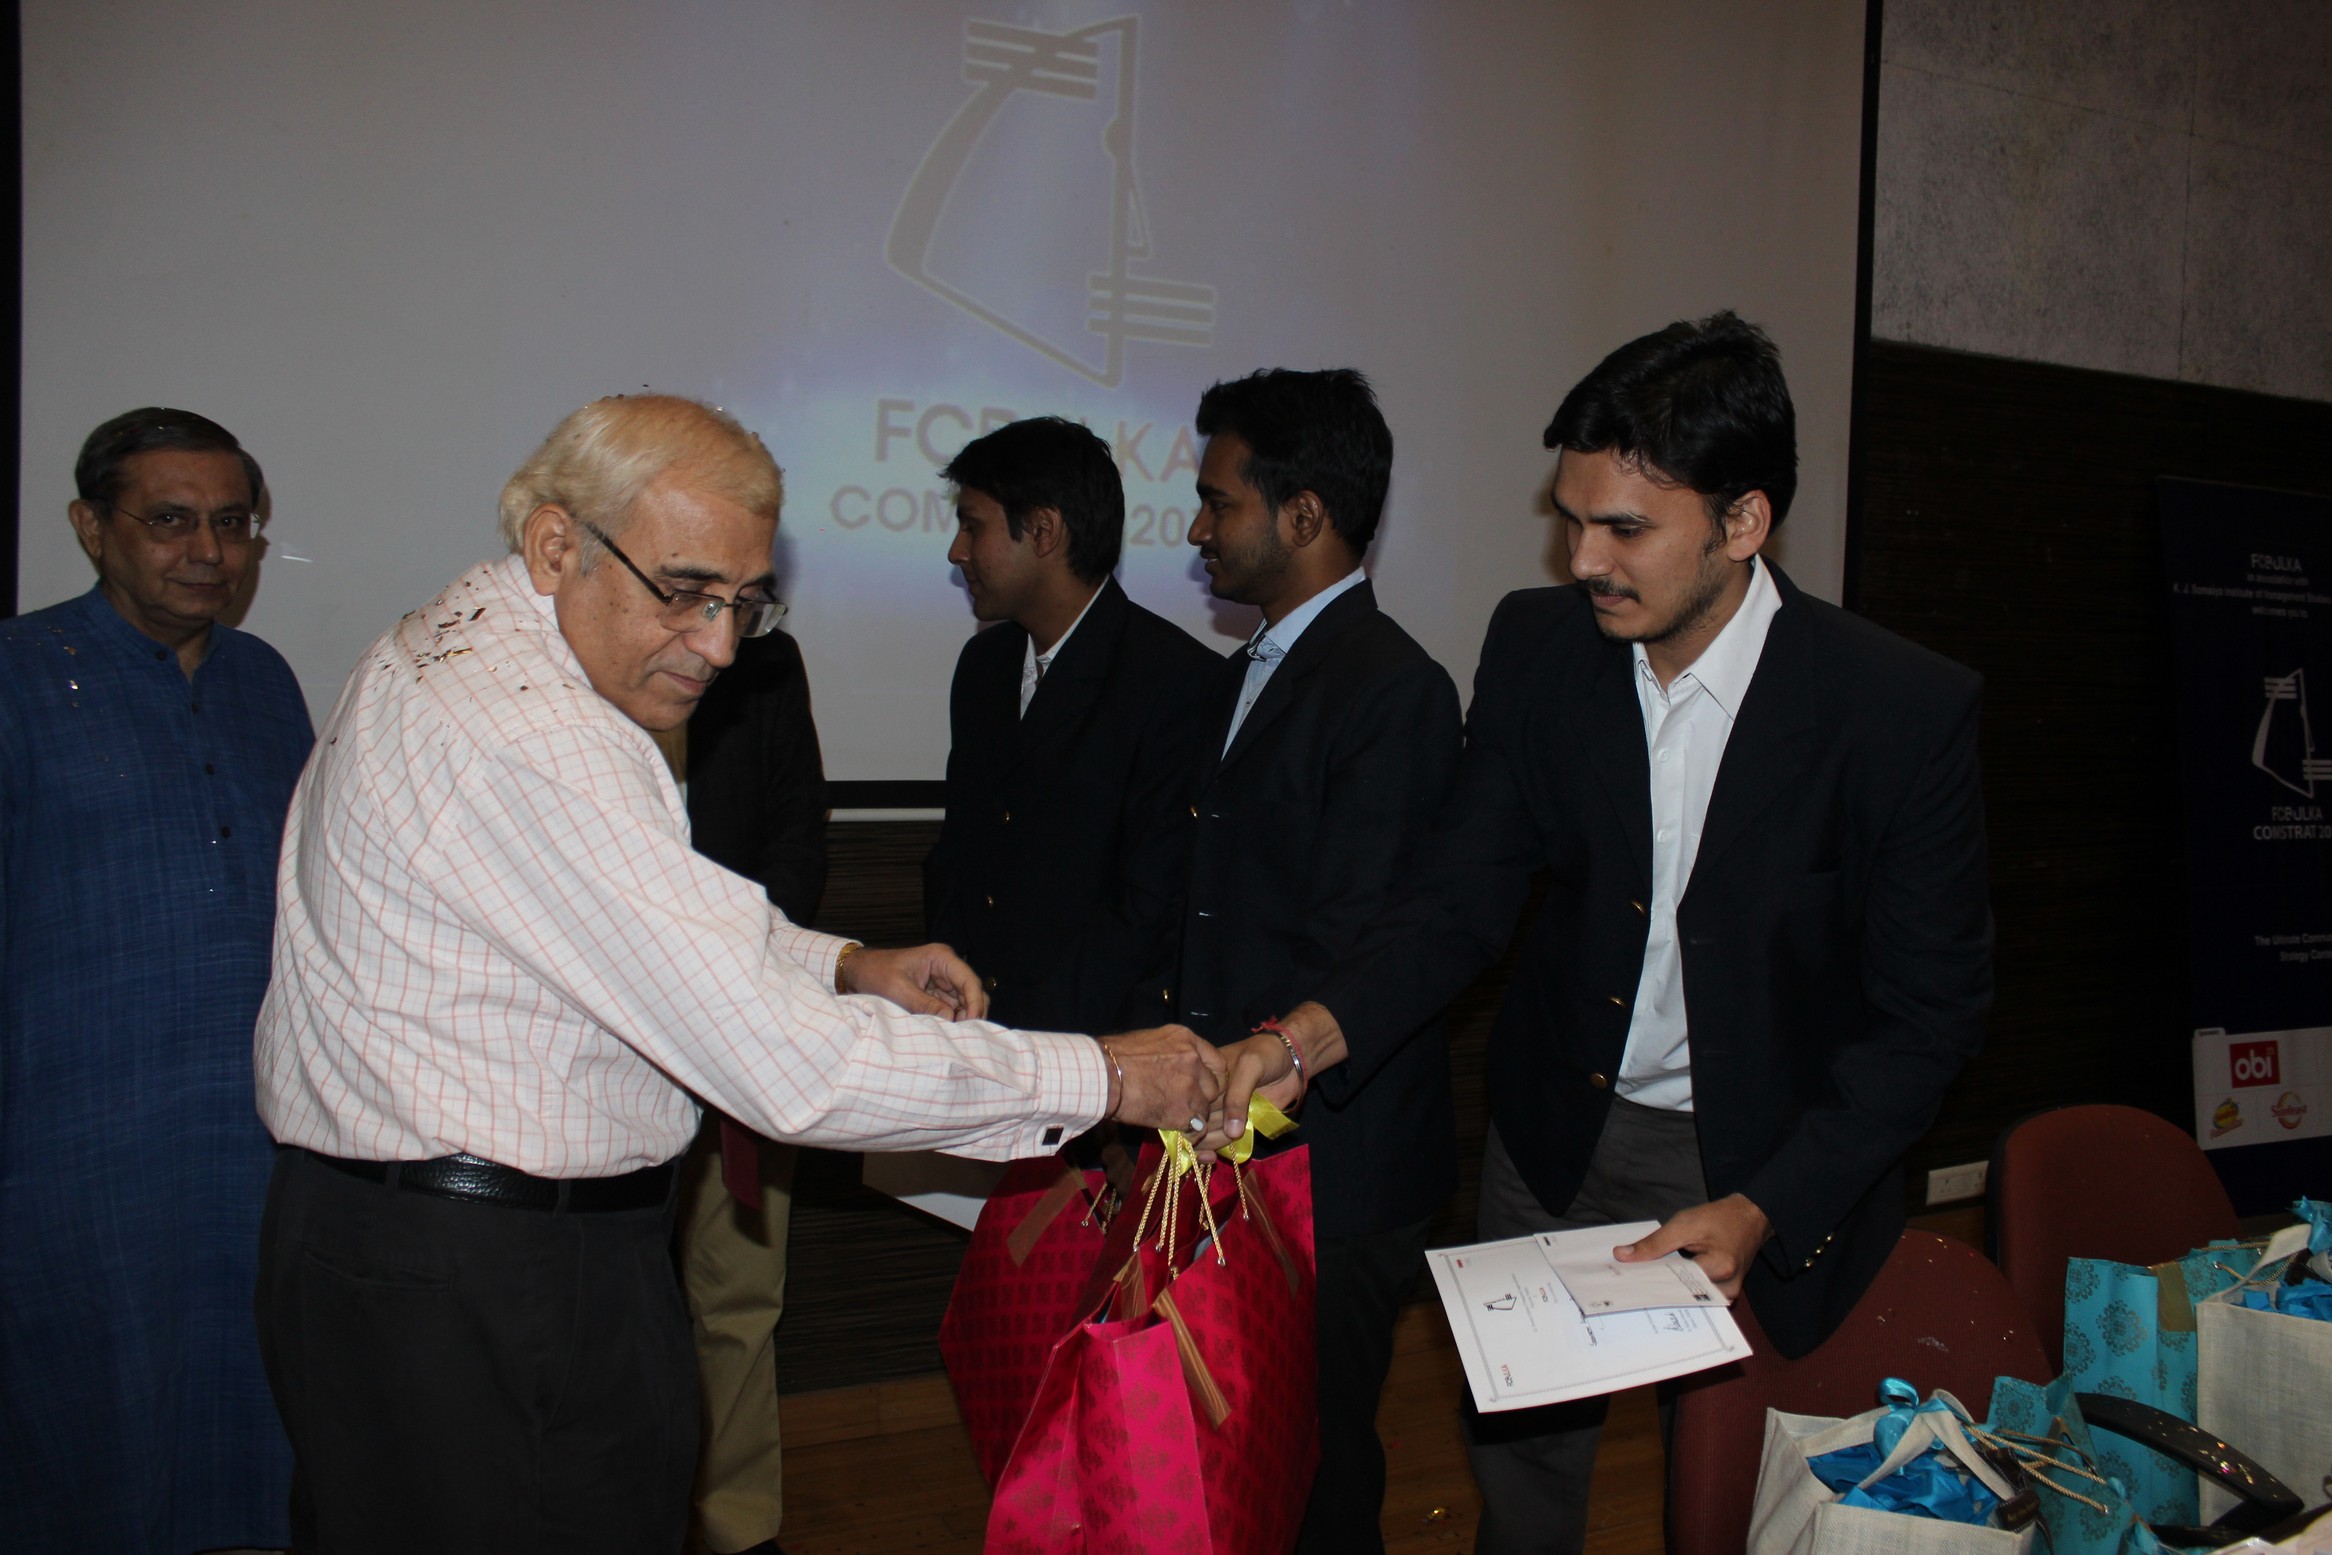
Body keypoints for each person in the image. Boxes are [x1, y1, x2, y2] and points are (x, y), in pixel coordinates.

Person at [252, 394, 1225, 1554]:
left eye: (743, 602)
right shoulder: (540, 738)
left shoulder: (461, 632)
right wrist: (1107, 1077)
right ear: (557, 542)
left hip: (417, 1250)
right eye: (684, 592)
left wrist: (843, 962)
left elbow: (652, 923)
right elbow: (791, 1073)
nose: (718, 646)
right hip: (480, 1278)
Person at [1215, 314, 1994, 1555]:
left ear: (1743, 521)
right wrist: (1298, 1039)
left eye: (1623, 528)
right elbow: (1455, 899)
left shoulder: (1894, 710)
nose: (1582, 559)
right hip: (1558, 1135)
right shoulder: (1540, 650)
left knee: (1728, 1489)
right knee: (1522, 1474)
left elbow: (1928, 1017)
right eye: (1571, 519)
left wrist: (1765, 1206)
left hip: (1768, 1154)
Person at [0, 409, 311, 1553]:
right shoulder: (18, 673)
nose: (208, 552)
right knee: (83, 1420)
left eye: (232, 524)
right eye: (171, 521)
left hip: (252, 1139)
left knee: (255, 1410)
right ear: (92, 527)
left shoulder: (263, 680)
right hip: (71, 1145)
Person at [1175, 368, 1464, 1555]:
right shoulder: (1244, 671)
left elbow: (1358, 939)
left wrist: (1232, 1086)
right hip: (1228, 1130)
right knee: (1234, 1453)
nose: (1197, 529)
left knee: (1316, 1472)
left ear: (1303, 515)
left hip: (1328, 1166)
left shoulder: (1394, 689)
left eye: (1218, 501)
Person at [926, 415, 1217, 1046]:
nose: (957, 551)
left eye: (973, 526)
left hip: (1088, 1049)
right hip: (971, 1031)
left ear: (1044, 530)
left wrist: (1043, 1046)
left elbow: (1148, 907)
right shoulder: (983, 665)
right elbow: (959, 853)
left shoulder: (1175, 681)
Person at [660, 624, 829, 1555]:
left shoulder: (764, 659)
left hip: (745, 1029)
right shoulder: (577, 650)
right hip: (609, 1043)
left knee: (737, 1294)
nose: (722, 626)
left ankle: (737, 1527)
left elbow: (799, 831)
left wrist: (739, 974)